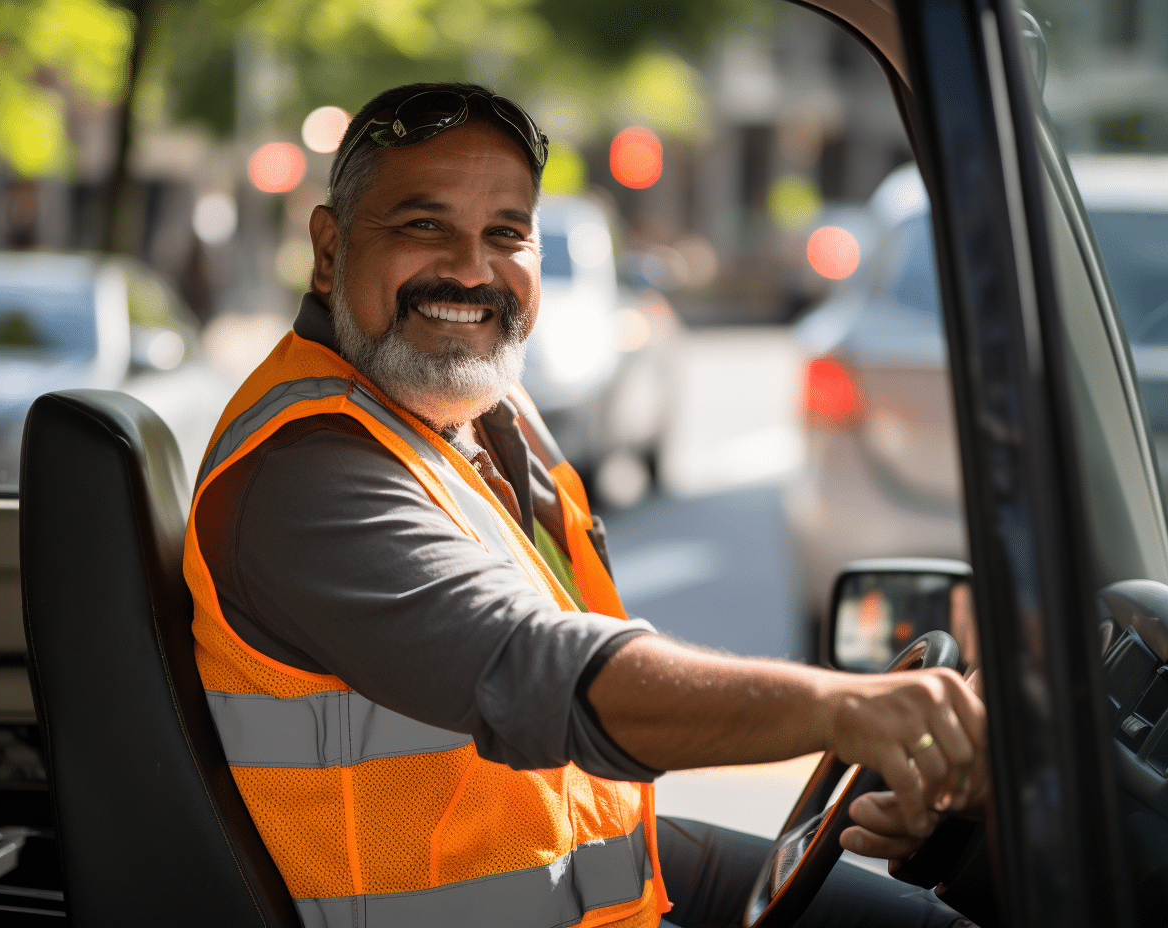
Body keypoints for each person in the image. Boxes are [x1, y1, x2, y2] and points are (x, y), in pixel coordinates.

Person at [185, 82, 987, 928]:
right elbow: (539, 670)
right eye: (423, 226)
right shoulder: (308, 477)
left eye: (507, 233)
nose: (470, 268)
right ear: (328, 247)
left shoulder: (483, 415)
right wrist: (844, 711)